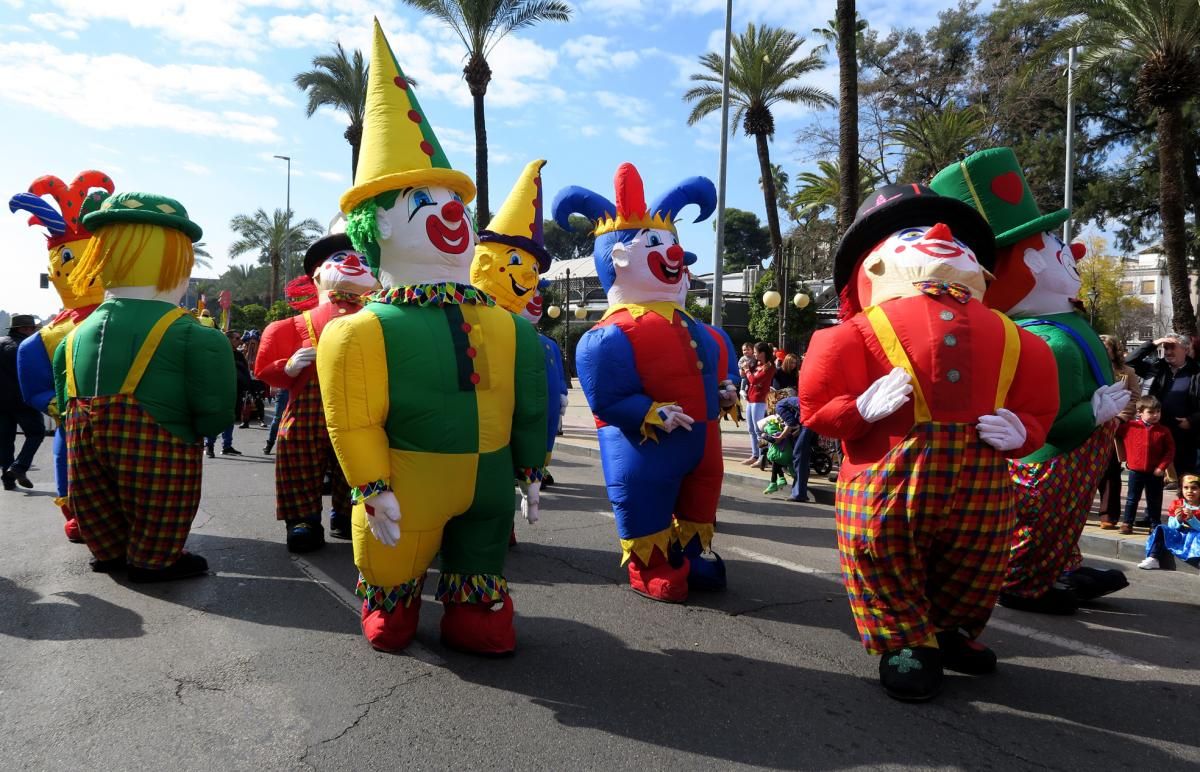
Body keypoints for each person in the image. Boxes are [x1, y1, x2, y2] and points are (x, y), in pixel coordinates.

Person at [319, 21, 546, 655]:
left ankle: (474, 608)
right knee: (392, 567)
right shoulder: (360, 331)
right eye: (426, 201)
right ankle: (393, 598)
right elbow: (355, 422)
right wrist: (372, 485)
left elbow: (529, 404)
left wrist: (530, 468)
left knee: (483, 563)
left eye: (458, 205)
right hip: (408, 479)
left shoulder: (507, 325)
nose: (452, 215)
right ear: (376, 225)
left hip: (491, 485)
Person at [799, 182, 1058, 701]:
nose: (942, 236)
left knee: (979, 555)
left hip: (982, 469)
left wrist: (1023, 431)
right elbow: (815, 407)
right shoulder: (848, 334)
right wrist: (859, 410)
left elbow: (1038, 406)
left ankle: (950, 630)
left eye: (957, 239)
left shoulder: (1019, 338)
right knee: (882, 550)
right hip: (887, 469)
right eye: (914, 233)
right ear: (870, 265)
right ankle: (906, 640)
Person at [556, 162, 738, 604]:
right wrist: (648, 412)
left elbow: (721, 368)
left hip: (703, 441)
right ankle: (651, 564)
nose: (672, 253)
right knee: (645, 498)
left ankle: (693, 552)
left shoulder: (705, 330)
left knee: (700, 495)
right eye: (655, 243)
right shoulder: (608, 335)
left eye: (672, 242)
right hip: (645, 445)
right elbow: (606, 398)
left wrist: (729, 388)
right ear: (616, 257)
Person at [54, 190, 234, 581]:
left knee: (94, 493)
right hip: (161, 438)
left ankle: (108, 549)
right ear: (177, 261)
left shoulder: (74, 335)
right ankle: (154, 558)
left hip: (82, 434)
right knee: (161, 499)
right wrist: (204, 426)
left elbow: (60, 393)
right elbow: (214, 409)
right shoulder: (192, 333)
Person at [11, 169, 113, 541]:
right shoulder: (47, 338)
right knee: (70, 463)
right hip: (75, 421)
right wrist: (55, 404)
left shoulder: (127, 317)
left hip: (126, 416)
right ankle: (78, 511)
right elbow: (35, 387)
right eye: (67, 259)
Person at [256, 232, 375, 552]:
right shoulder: (289, 327)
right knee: (298, 459)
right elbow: (265, 369)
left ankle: (348, 515)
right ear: (316, 275)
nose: (352, 262)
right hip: (306, 413)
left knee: (358, 463)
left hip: (361, 412)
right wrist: (288, 366)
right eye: (340, 258)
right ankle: (303, 519)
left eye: (363, 259)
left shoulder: (382, 322)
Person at [1126, 333, 1200, 479]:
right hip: (1156, 431)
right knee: (1154, 481)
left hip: (1184, 434)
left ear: (1185, 349)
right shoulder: (1156, 367)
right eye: (1165, 348)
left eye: (1172, 347)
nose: (1168, 352)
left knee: (1185, 477)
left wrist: (1192, 420)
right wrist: (1154, 343)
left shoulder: (1196, 371)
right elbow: (1129, 361)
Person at [1095, 335, 1140, 529]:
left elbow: (1135, 397)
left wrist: (1120, 417)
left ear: (1114, 350)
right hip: (1092, 426)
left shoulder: (1127, 372)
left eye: (1107, 348)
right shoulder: (1090, 368)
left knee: (1112, 471)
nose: (1104, 351)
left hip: (1114, 427)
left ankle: (1109, 515)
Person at [1116, 395, 1174, 534]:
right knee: (1132, 498)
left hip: (1155, 472)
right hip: (1135, 471)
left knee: (1154, 500)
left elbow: (1170, 450)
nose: (1155, 415)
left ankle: (1155, 524)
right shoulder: (1130, 427)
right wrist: (1124, 457)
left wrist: (1162, 467)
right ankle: (1127, 523)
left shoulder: (1164, 431)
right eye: (1151, 412)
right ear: (1140, 412)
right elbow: (1115, 434)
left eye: (1158, 412)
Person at [0, 315, 45, 491]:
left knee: (5, 440)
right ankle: (19, 467)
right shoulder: (27, 347)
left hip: (1, 403)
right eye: (32, 329)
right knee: (36, 433)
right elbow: (35, 374)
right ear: (24, 329)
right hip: (23, 401)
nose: (34, 332)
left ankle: (8, 481)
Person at [1139, 473, 1200, 569]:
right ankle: (1153, 558)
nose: (1190, 491)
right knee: (1161, 529)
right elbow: (1171, 526)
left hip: (1195, 539)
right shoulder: (1177, 504)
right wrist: (1178, 519)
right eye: (1186, 487)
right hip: (1180, 536)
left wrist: (1192, 519)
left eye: (1194, 488)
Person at [204, 329, 247, 457]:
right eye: (237, 338)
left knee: (230, 418)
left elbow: (244, 372)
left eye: (240, 338)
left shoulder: (239, 355)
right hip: (218, 390)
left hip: (234, 391)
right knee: (215, 419)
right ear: (228, 339)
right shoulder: (217, 352)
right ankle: (209, 445)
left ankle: (227, 446)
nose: (240, 341)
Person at [774, 390, 815, 503]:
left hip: (809, 423)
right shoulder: (795, 401)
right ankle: (800, 491)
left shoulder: (780, 404)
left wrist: (781, 437)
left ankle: (799, 493)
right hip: (813, 420)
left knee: (799, 457)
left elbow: (791, 423)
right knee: (802, 457)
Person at [744, 342, 776, 467]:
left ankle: (763, 457)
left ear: (763, 353)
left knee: (759, 430)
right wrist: (746, 370)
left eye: (756, 352)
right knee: (751, 430)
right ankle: (755, 454)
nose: (755, 354)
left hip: (760, 400)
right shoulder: (757, 364)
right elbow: (750, 378)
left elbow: (754, 380)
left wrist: (747, 371)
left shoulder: (769, 366)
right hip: (750, 399)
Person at [758, 413, 793, 494]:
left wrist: (764, 436)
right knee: (775, 463)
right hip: (784, 453)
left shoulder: (777, 434)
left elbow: (773, 440)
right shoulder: (783, 432)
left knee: (775, 460)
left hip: (782, 455)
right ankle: (781, 478)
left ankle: (773, 483)